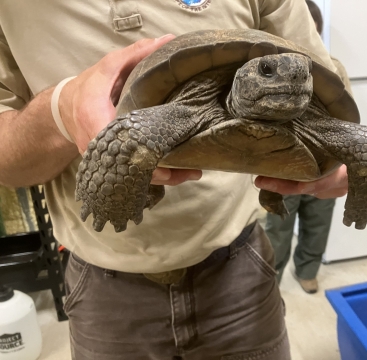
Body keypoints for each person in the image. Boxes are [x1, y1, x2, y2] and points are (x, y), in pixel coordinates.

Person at [0, 1, 348, 359]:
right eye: (269, 71)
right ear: (244, 80)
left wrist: (354, 166)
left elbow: (328, 81)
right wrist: (60, 109)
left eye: (298, 76)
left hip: (240, 266)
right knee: (126, 141)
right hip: (104, 278)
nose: (291, 79)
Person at [264, 0, 352, 295]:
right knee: (277, 226)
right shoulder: (270, 71)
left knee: (318, 222)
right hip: (281, 161)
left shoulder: (333, 68)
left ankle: (308, 268)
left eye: (311, 35)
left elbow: (348, 116)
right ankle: (272, 276)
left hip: (324, 159)